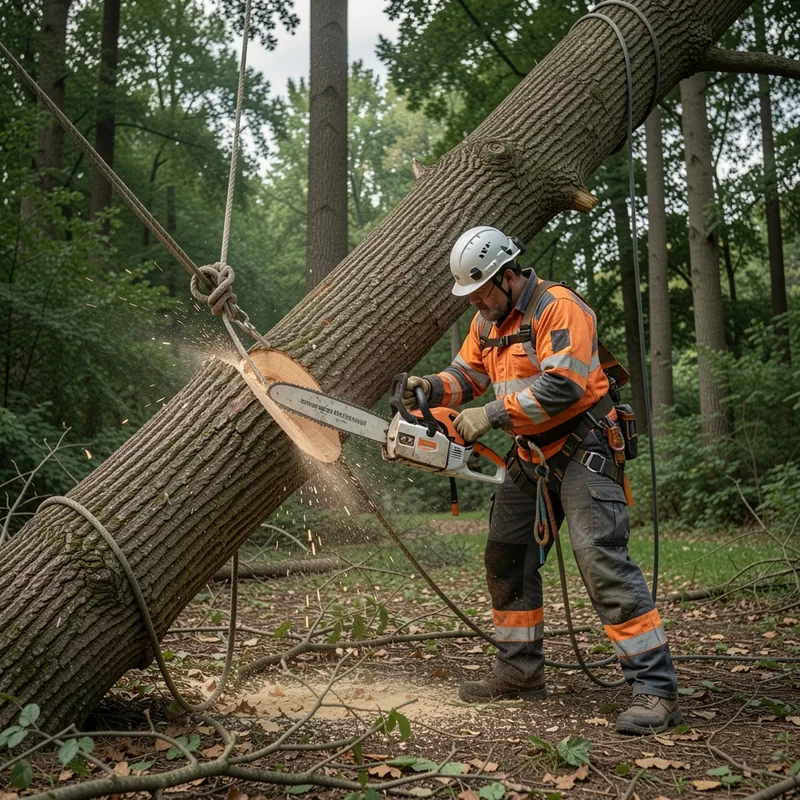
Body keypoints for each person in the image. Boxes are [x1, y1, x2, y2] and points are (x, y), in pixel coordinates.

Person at [404, 225, 680, 735]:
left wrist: (489, 416)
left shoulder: (557, 307)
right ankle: (519, 672)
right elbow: (465, 376)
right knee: (506, 553)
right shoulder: (486, 322)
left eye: (480, 292)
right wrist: (431, 386)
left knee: (600, 560)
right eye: (468, 296)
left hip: (583, 446)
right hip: (530, 454)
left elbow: (564, 385)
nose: (475, 304)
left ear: (507, 277)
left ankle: (654, 687)